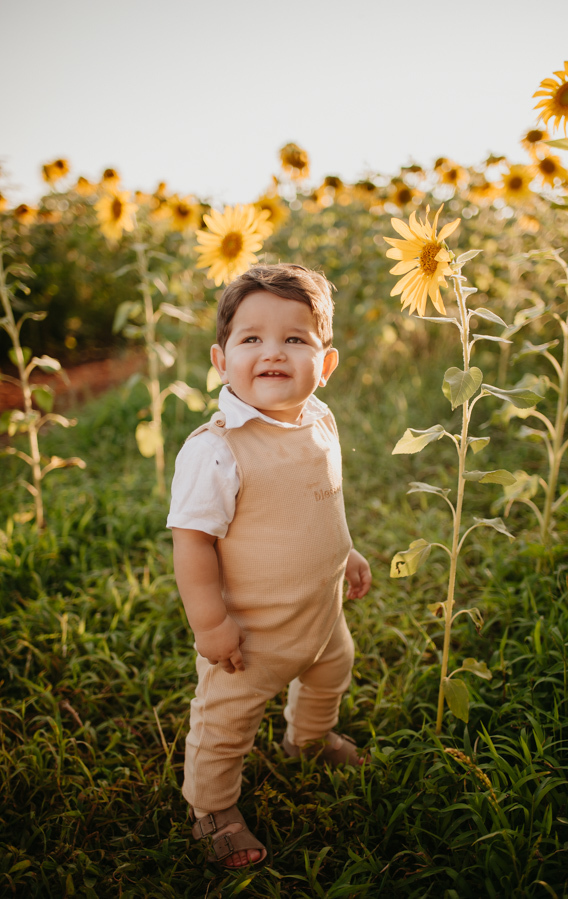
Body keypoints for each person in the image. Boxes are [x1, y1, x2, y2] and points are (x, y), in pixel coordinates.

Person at [167, 263, 372, 868]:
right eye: (251, 338)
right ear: (221, 360)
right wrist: (210, 624)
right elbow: (192, 542)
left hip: (320, 609)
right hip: (250, 633)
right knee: (227, 720)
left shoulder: (319, 422)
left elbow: (320, 500)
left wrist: (347, 548)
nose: (273, 352)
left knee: (334, 669)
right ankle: (212, 809)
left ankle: (307, 740)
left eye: (295, 338)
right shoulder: (217, 450)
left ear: (325, 364)